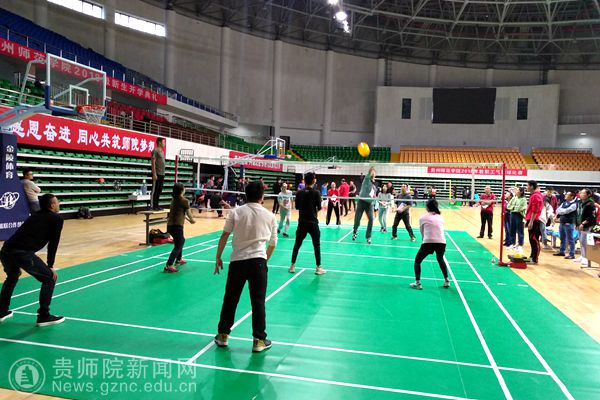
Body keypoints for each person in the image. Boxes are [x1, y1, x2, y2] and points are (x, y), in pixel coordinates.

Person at [214, 182, 278, 353]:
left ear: (246, 195)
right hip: (258, 262)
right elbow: (273, 243)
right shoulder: (270, 216)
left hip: (238, 262)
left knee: (230, 299)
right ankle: (259, 340)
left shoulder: (236, 212)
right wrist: (264, 260)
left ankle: (223, 335)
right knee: (258, 302)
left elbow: (225, 235)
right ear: (262, 197)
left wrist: (218, 257)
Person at [0, 194, 64, 326]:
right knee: (49, 278)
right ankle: (44, 316)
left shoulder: (35, 215)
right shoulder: (56, 218)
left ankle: (1, 311)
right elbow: (53, 243)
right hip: (22, 253)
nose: (59, 204)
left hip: (6, 250)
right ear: (52, 205)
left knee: (12, 276)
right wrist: (50, 266)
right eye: (57, 202)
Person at [289, 172, 325, 275]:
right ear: (314, 181)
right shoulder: (316, 193)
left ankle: (292, 266)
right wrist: (312, 210)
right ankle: (318, 268)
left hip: (302, 222)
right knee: (316, 245)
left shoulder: (299, 193)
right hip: (313, 222)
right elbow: (319, 207)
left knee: (297, 244)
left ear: (305, 181)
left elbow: (297, 207)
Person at [410, 199, 450, 290]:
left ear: (427, 207)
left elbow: (422, 232)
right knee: (440, 259)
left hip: (428, 242)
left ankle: (418, 283)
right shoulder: (440, 217)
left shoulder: (423, 218)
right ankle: (447, 280)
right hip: (442, 242)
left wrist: (424, 241)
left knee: (417, 261)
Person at [164, 183, 196, 273]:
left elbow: (180, 212)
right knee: (179, 244)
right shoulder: (184, 201)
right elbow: (189, 213)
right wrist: (192, 220)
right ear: (182, 191)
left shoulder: (173, 200)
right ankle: (169, 265)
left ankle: (178, 259)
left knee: (180, 241)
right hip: (177, 226)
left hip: (170, 226)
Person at [352, 167, 376, 244]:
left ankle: (368, 237)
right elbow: (369, 173)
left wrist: (374, 201)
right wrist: (372, 168)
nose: (374, 175)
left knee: (371, 219)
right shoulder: (366, 180)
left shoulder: (374, 188)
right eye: (373, 173)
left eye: (374, 174)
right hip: (361, 202)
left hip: (369, 204)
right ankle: (355, 231)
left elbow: (374, 197)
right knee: (357, 218)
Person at [576, 188, 596, 268]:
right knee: (581, 241)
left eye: (583, 193)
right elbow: (577, 213)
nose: (581, 194)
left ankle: (586, 258)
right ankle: (582, 256)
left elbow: (592, 216)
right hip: (579, 224)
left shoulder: (590, 204)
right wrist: (576, 223)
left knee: (584, 242)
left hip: (587, 225)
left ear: (588, 195)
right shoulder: (580, 203)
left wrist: (583, 223)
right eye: (581, 193)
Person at [525, 180, 544, 265]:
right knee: (531, 239)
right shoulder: (533, 195)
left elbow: (535, 209)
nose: (527, 187)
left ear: (532, 186)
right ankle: (532, 256)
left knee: (534, 239)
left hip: (534, 220)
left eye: (527, 186)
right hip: (531, 219)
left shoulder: (536, 196)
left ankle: (535, 258)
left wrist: (531, 221)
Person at [554, 191, 577, 259]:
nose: (565, 195)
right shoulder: (564, 203)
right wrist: (561, 212)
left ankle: (572, 254)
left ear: (572, 196)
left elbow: (566, 211)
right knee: (562, 238)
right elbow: (557, 210)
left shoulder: (574, 204)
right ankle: (562, 251)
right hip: (562, 223)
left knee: (570, 239)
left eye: (567, 194)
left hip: (569, 223)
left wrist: (561, 211)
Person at [507, 187, 527, 253]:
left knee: (520, 230)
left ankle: (520, 245)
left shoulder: (524, 199)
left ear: (521, 192)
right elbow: (508, 206)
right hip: (512, 214)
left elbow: (520, 208)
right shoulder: (514, 198)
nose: (516, 191)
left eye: (517, 190)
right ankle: (512, 243)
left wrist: (513, 207)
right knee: (512, 229)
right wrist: (514, 208)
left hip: (519, 215)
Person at [151, 137, 166, 211]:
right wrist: (154, 174)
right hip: (157, 173)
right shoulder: (155, 150)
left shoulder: (162, 151)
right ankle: (154, 206)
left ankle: (157, 205)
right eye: (163, 142)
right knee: (156, 190)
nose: (164, 144)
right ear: (159, 142)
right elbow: (153, 162)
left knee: (160, 190)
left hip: (162, 173)